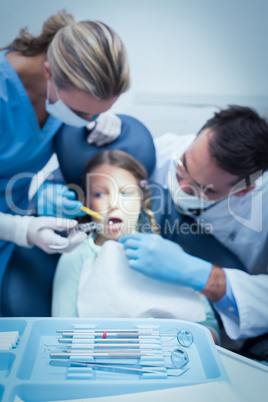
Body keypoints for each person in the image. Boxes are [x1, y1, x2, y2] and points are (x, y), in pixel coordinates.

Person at [0, 10, 130, 298]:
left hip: (17, 228)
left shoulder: (63, 90)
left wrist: (98, 117)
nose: (88, 118)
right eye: (81, 112)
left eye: (98, 110)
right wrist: (20, 230)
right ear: (49, 73)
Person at [120, 106, 268, 349]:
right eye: (182, 168)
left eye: (205, 189)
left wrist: (206, 276)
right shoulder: (164, 150)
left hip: (222, 325)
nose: (181, 187)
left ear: (244, 190)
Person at [52, 150, 219, 343]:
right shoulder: (75, 258)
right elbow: (62, 336)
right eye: (100, 194)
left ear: (141, 200)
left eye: (125, 193)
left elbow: (209, 327)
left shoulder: (165, 252)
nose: (114, 204)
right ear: (86, 202)